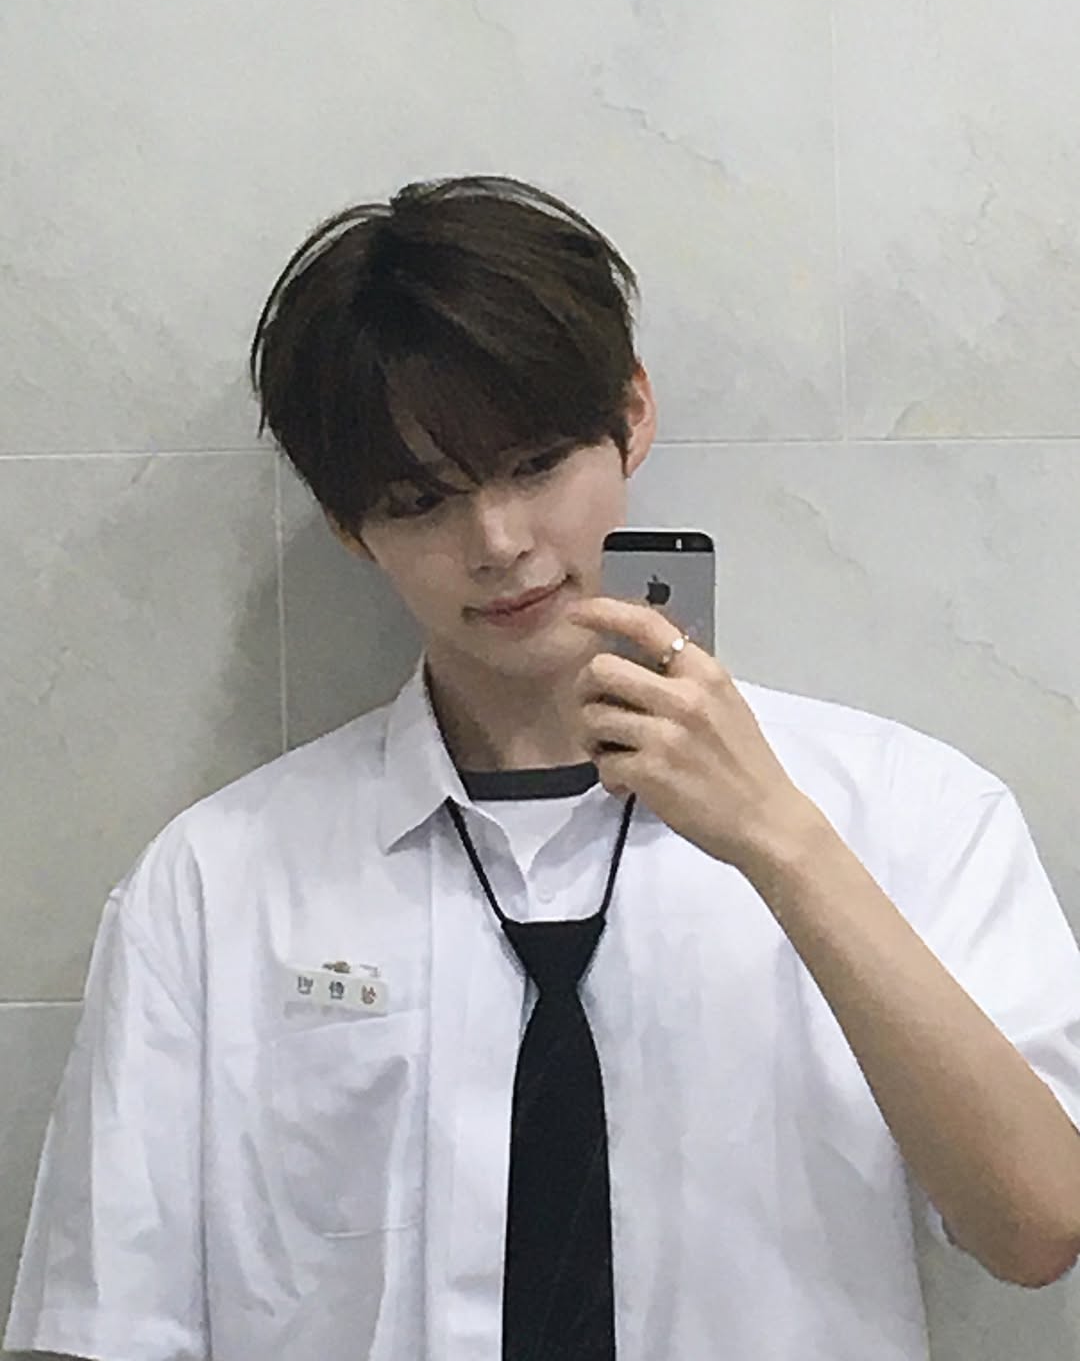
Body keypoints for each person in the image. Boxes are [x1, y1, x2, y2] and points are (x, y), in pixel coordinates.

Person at [6, 174, 1080, 1361]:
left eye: (534, 464)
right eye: (421, 501)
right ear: (350, 527)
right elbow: (111, 1323)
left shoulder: (905, 811)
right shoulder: (218, 887)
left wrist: (780, 842)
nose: (500, 542)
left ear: (632, 414)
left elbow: (1038, 1227)